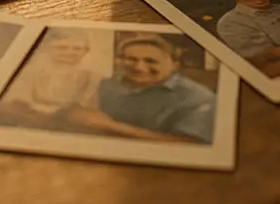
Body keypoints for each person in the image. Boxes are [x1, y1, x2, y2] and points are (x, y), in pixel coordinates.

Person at [65, 34, 216, 143]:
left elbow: (189, 145)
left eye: (151, 61)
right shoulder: (109, 84)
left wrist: (112, 126)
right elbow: (91, 114)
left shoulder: (198, 97)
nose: (139, 67)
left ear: (175, 65)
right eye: (131, 59)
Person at [0, 29, 101, 128]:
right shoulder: (33, 68)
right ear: (47, 48)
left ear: (86, 51)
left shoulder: (88, 74)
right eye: (61, 48)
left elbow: (87, 101)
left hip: (64, 114)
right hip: (31, 110)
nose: (69, 52)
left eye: (77, 49)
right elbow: (20, 94)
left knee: (84, 118)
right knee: (9, 111)